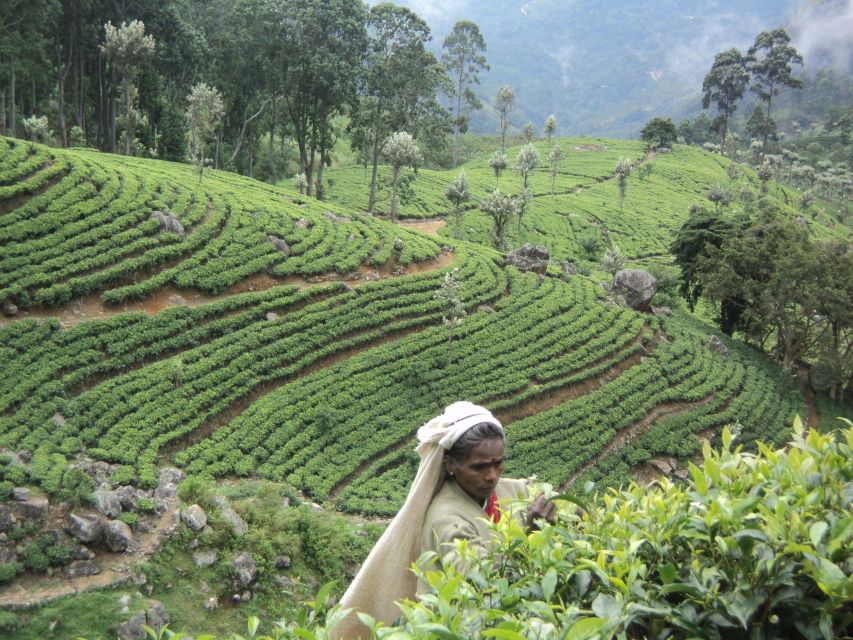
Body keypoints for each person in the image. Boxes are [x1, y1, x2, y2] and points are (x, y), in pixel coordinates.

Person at [334, 401, 555, 638]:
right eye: (479, 467)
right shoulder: (447, 519)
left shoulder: (506, 490)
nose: (491, 476)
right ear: (451, 466)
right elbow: (487, 586)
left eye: (498, 463)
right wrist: (529, 535)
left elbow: (556, 502)